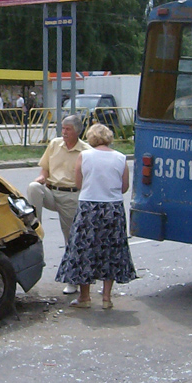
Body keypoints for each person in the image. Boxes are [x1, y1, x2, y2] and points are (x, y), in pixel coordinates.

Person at [55, 123, 136, 309]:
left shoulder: (84, 156)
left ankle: (85, 297)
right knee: (111, 250)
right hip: (113, 208)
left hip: (89, 207)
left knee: (85, 250)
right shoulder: (121, 158)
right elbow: (124, 187)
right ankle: (107, 298)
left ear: (91, 138)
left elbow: (78, 183)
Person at [26, 115, 90, 294]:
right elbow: (45, 168)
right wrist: (41, 178)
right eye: (63, 128)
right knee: (33, 188)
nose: (64, 132)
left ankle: (73, 280)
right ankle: (35, 228)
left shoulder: (85, 151)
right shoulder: (55, 144)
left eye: (68, 129)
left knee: (71, 239)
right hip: (51, 191)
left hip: (71, 196)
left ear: (77, 131)